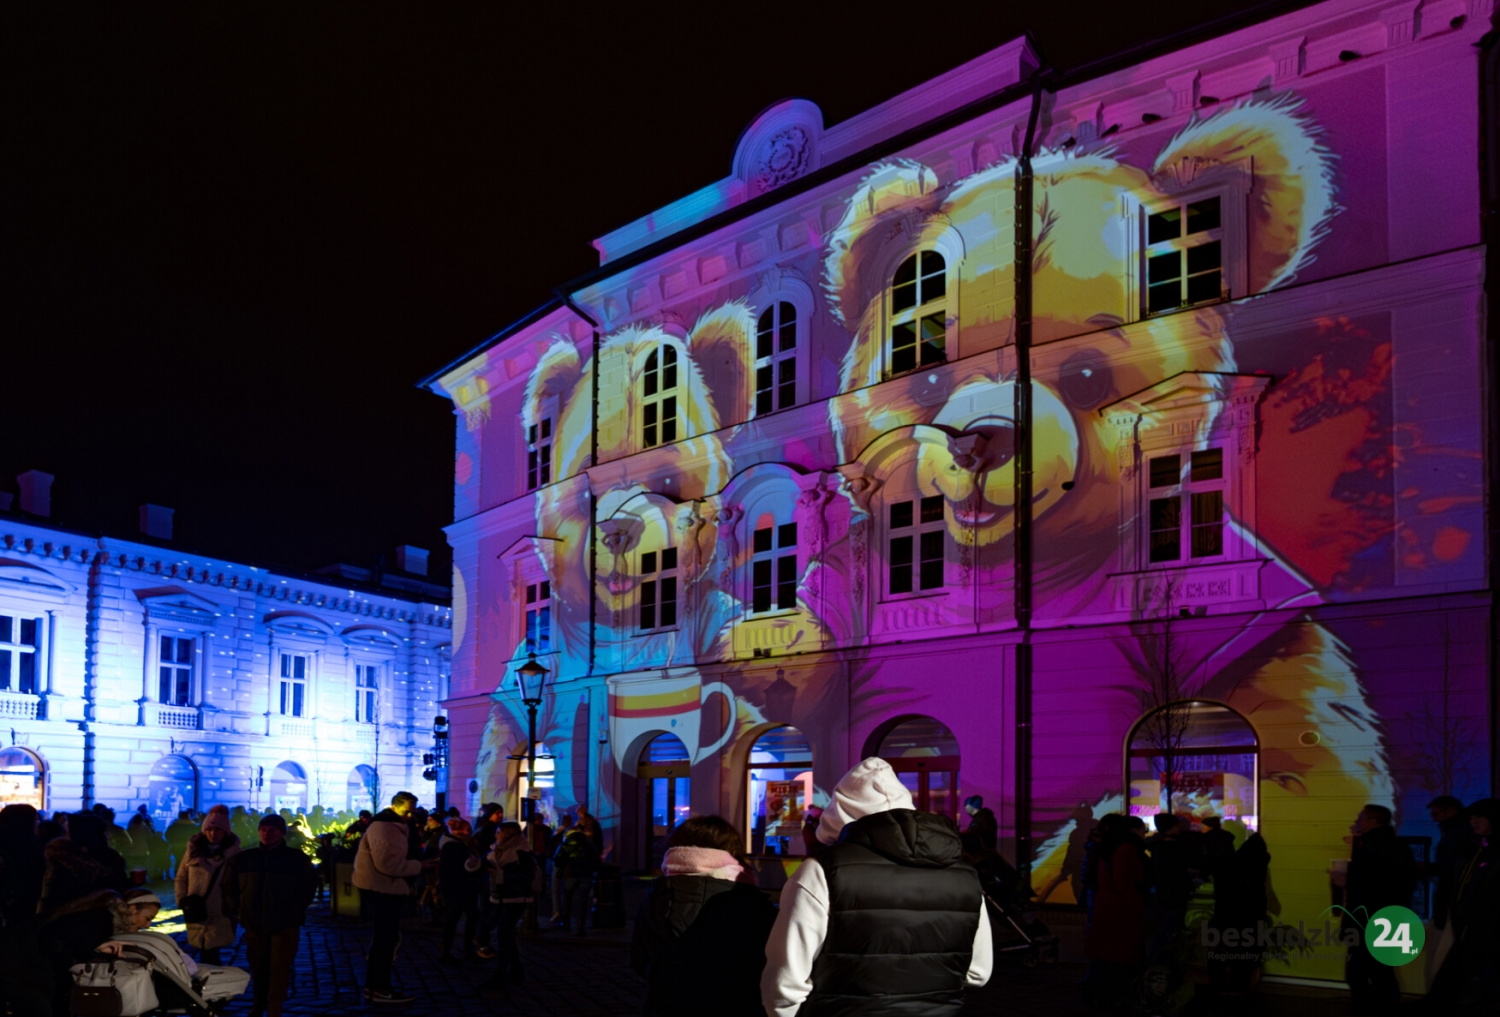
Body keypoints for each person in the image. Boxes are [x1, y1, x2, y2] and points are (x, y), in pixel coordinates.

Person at [762, 758, 991, 1017]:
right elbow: (978, 972)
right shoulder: (963, 872)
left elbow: (786, 982)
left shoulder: (822, 870)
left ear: (840, 815)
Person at [631, 815, 775, 1017]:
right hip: (736, 1006)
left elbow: (638, 959)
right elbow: (769, 966)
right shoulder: (751, 902)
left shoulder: (656, 896)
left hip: (665, 1006)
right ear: (732, 850)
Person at [223, 813, 318, 1017]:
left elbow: (307, 889)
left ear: (281, 833)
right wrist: (239, 910)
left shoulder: (296, 859)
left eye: (272, 830)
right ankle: (259, 1002)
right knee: (258, 966)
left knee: (279, 967)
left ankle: (274, 1006)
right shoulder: (244, 859)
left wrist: (295, 911)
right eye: (264, 829)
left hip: (285, 923)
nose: (267, 834)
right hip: (254, 922)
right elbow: (229, 887)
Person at [1340, 804, 1416, 1017]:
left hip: (1368, 917)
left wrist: (1346, 880)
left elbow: (1365, 883)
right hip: (1387, 916)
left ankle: (1368, 1009)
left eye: (1362, 817)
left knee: (1359, 972)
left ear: (1374, 821)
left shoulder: (1372, 846)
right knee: (1381, 970)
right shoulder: (1395, 845)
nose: (1358, 820)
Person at [1426, 797, 1498, 1008]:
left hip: (1480, 925)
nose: (1473, 821)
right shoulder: (1476, 847)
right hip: (1467, 922)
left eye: (1479, 817)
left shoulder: (1479, 848)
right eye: (1472, 817)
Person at [352, 790, 421, 1004]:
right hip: (383, 889)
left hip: (386, 888)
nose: (409, 817)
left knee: (386, 939)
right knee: (385, 940)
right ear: (394, 807)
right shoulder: (383, 826)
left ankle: (376, 987)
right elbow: (388, 864)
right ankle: (379, 988)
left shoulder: (393, 825)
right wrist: (419, 866)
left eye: (412, 813)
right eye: (406, 812)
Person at [1082, 814, 1148, 1008]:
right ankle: (1111, 995)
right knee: (1120, 956)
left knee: (1106, 957)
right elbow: (1123, 881)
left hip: (1107, 906)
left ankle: (1098, 994)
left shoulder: (1105, 849)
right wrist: (1136, 902)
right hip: (1122, 909)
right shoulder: (1125, 849)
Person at [175, 805, 242, 964]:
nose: (213, 833)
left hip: (220, 909)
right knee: (204, 949)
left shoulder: (234, 854)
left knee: (211, 951)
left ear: (225, 832)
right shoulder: (193, 850)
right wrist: (182, 900)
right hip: (196, 906)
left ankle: (212, 984)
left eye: (218, 830)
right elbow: (181, 877)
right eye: (210, 829)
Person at [479, 822, 536, 991]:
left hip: (516, 898)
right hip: (501, 897)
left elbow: (526, 876)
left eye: (499, 832)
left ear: (507, 834)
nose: (496, 835)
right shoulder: (500, 849)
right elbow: (485, 862)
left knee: (504, 932)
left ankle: (501, 973)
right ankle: (516, 969)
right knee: (505, 933)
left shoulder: (520, 852)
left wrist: (500, 874)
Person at [436, 818, 483, 962]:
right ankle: (460, 951)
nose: (471, 833)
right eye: (468, 830)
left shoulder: (456, 843)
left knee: (458, 918)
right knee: (458, 918)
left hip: (459, 887)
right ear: (459, 831)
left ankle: (451, 951)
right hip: (458, 887)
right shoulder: (454, 845)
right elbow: (460, 868)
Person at [553, 818, 600, 936]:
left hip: (569, 875)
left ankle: (566, 923)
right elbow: (596, 859)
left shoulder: (565, 843)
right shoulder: (588, 843)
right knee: (582, 901)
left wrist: (563, 867)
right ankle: (580, 926)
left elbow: (557, 859)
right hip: (585, 875)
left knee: (567, 899)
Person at [1426, 794, 1466, 931]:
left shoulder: (1457, 834)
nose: (1432, 815)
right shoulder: (1452, 831)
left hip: (1453, 892)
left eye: (1436, 811)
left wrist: (1430, 869)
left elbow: (1449, 864)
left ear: (1450, 811)